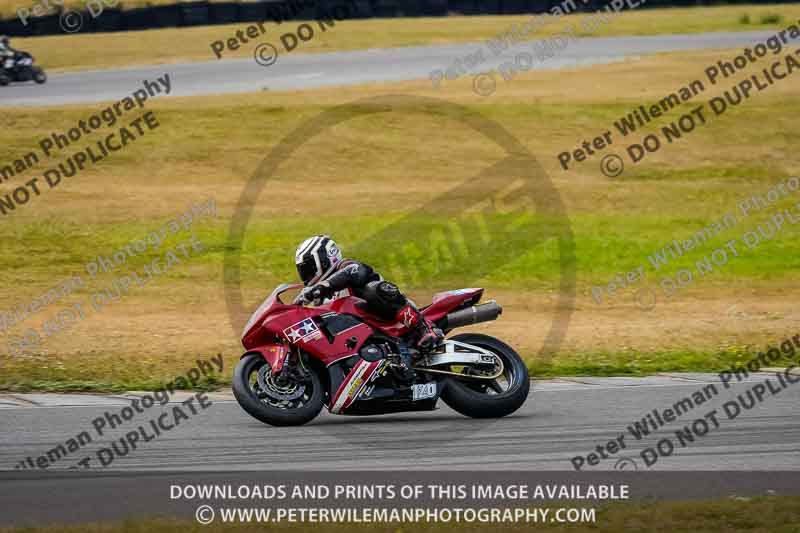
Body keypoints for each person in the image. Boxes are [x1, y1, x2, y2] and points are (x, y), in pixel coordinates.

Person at [294, 235, 444, 355]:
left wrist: (321, 287)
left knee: (374, 289)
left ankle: (425, 328)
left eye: (308, 268)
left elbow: (353, 272)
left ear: (324, 260)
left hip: (392, 321)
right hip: (367, 339)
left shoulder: (347, 267)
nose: (306, 274)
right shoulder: (321, 300)